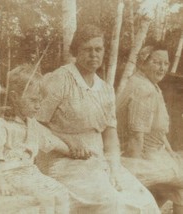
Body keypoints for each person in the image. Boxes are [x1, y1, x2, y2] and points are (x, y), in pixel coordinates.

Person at [36, 24, 160, 214]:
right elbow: (35, 124)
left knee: (144, 201)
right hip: (63, 161)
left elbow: (110, 136)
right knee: (110, 202)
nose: (94, 54)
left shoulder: (106, 90)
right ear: (76, 51)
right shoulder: (60, 79)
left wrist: (114, 168)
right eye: (87, 49)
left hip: (97, 162)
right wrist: (67, 143)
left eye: (98, 49)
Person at [0, 64, 70, 214]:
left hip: (30, 173)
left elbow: (52, 142)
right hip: (7, 175)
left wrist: (71, 151)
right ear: (14, 97)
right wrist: (1, 183)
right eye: (33, 100)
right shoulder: (0, 126)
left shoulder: (32, 124)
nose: (38, 106)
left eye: (40, 101)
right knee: (45, 197)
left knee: (62, 191)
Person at [116, 42, 183, 214]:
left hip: (154, 154)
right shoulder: (143, 90)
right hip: (136, 158)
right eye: (157, 62)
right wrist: (135, 176)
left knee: (179, 177)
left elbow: (158, 131)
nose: (162, 68)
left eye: (165, 63)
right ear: (143, 62)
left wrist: (170, 152)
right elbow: (135, 139)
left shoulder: (151, 86)